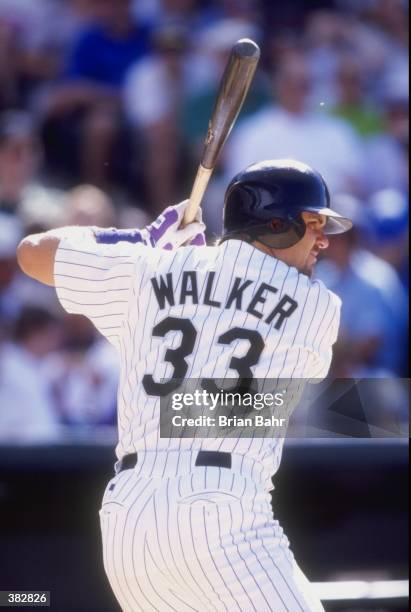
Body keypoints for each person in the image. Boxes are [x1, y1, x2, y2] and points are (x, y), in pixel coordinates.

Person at [17, 159, 352, 611]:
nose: (323, 241)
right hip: (222, 511)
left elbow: (31, 252)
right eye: (312, 224)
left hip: (126, 521)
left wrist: (139, 243)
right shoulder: (316, 306)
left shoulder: (146, 268)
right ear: (276, 225)